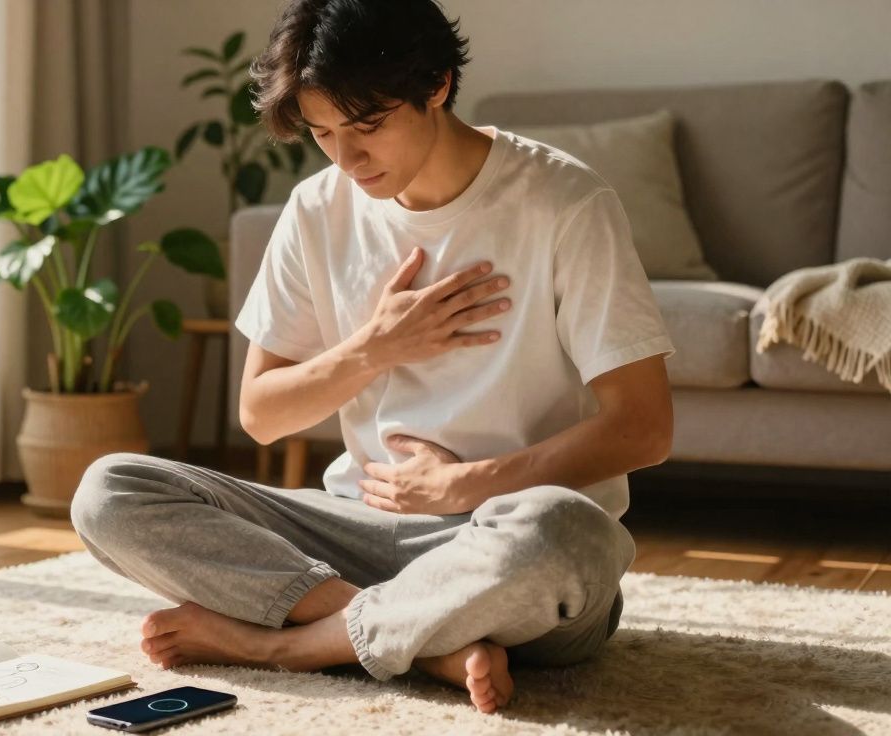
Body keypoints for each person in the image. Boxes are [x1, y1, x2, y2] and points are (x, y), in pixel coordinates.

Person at [71, 0, 675, 715]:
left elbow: (643, 427)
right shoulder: (314, 210)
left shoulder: (564, 202)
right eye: (322, 133)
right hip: (359, 531)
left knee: (561, 533)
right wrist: (374, 348)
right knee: (110, 491)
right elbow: (261, 414)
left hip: (509, 555)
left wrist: (467, 487)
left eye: (367, 127)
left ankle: (291, 644)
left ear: (439, 85)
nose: (347, 159)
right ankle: (418, 638)